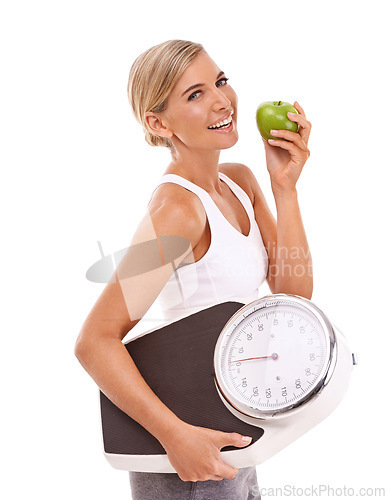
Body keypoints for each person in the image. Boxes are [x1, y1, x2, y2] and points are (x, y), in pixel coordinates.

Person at [74, 39, 313, 499]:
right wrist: (174, 437)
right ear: (158, 122)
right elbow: (94, 341)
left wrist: (285, 189)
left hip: (234, 435)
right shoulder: (177, 212)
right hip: (186, 450)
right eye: (195, 94)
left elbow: (292, 299)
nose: (223, 100)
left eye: (220, 82)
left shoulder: (240, 182)